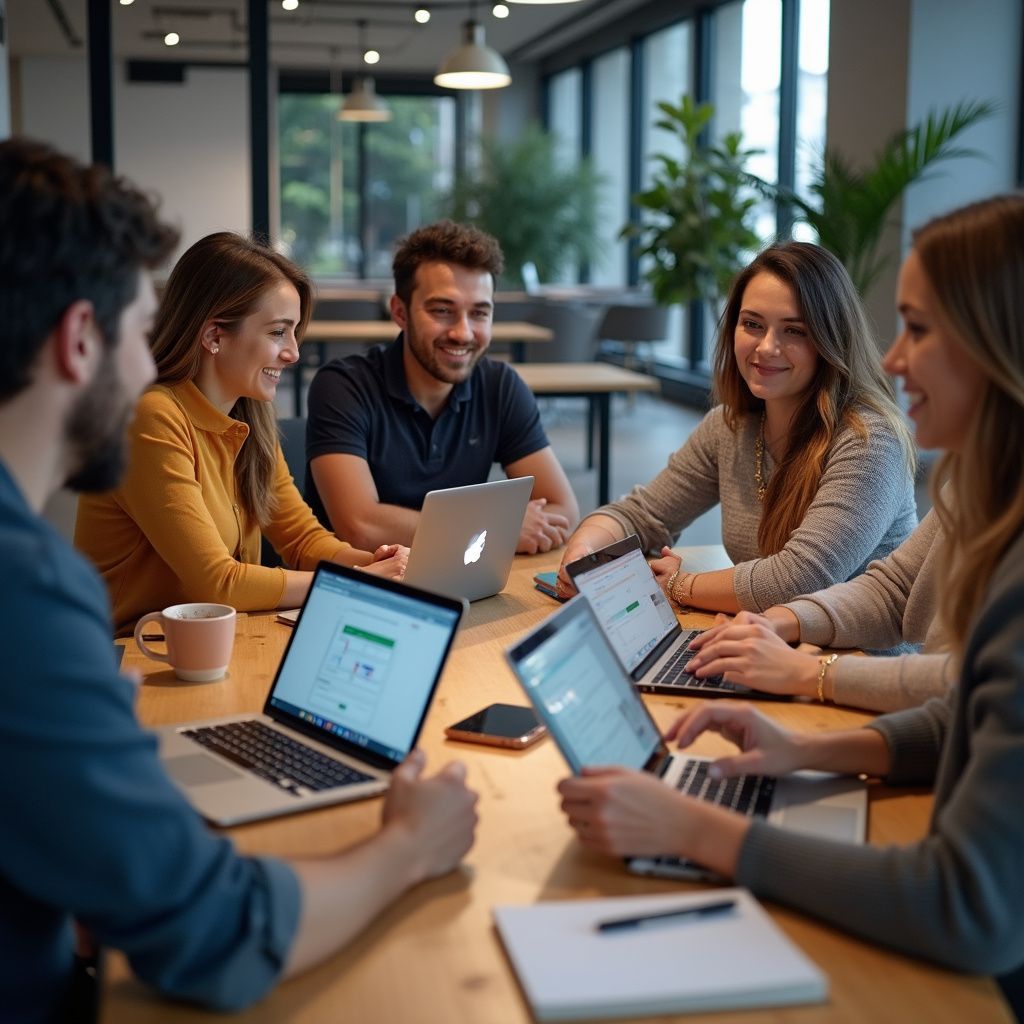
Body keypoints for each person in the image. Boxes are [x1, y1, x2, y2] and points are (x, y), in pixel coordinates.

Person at [0, 137, 478, 1020]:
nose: (148, 363)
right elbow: (210, 930)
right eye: (135, 333)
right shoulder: (30, 597)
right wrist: (409, 848)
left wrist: (364, 566)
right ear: (78, 340)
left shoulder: (248, 423)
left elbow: (296, 533)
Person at [557, 195, 1024, 983]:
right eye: (752, 323)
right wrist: (806, 745)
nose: (897, 359)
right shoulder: (980, 487)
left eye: (918, 327)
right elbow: (936, 672)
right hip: (866, 718)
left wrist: (705, 830)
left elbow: (966, 910)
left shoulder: (875, 442)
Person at [555, 241, 917, 613]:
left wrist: (679, 585)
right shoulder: (730, 427)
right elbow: (642, 515)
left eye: (794, 331)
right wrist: (584, 552)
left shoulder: (869, 440)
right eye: (752, 324)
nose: (766, 347)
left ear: (830, 340)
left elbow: (800, 578)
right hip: (770, 645)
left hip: (858, 661)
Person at [75, 232, 408, 635]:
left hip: (209, 645)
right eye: (277, 332)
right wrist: (356, 581)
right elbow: (219, 584)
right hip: (133, 655)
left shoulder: (250, 416)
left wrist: (374, 564)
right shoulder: (151, 417)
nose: (294, 353)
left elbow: (302, 540)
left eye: (294, 332)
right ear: (215, 336)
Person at [305, 220, 580, 556]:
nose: (463, 333)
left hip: (461, 577)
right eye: (442, 311)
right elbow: (360, 525)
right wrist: (491, 529)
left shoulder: (500, 386)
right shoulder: (344, 386)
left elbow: (562, 508)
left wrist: (470, 533)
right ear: (400, 312)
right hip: (366, 588)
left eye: (479, 313)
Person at [681, 506, 953, 712]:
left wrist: (809, 672)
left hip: (890, 693)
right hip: (916, 722)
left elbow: (795, 577)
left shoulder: (874, 441)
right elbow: (894, 590)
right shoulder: (971, 476)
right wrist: (775, 622)